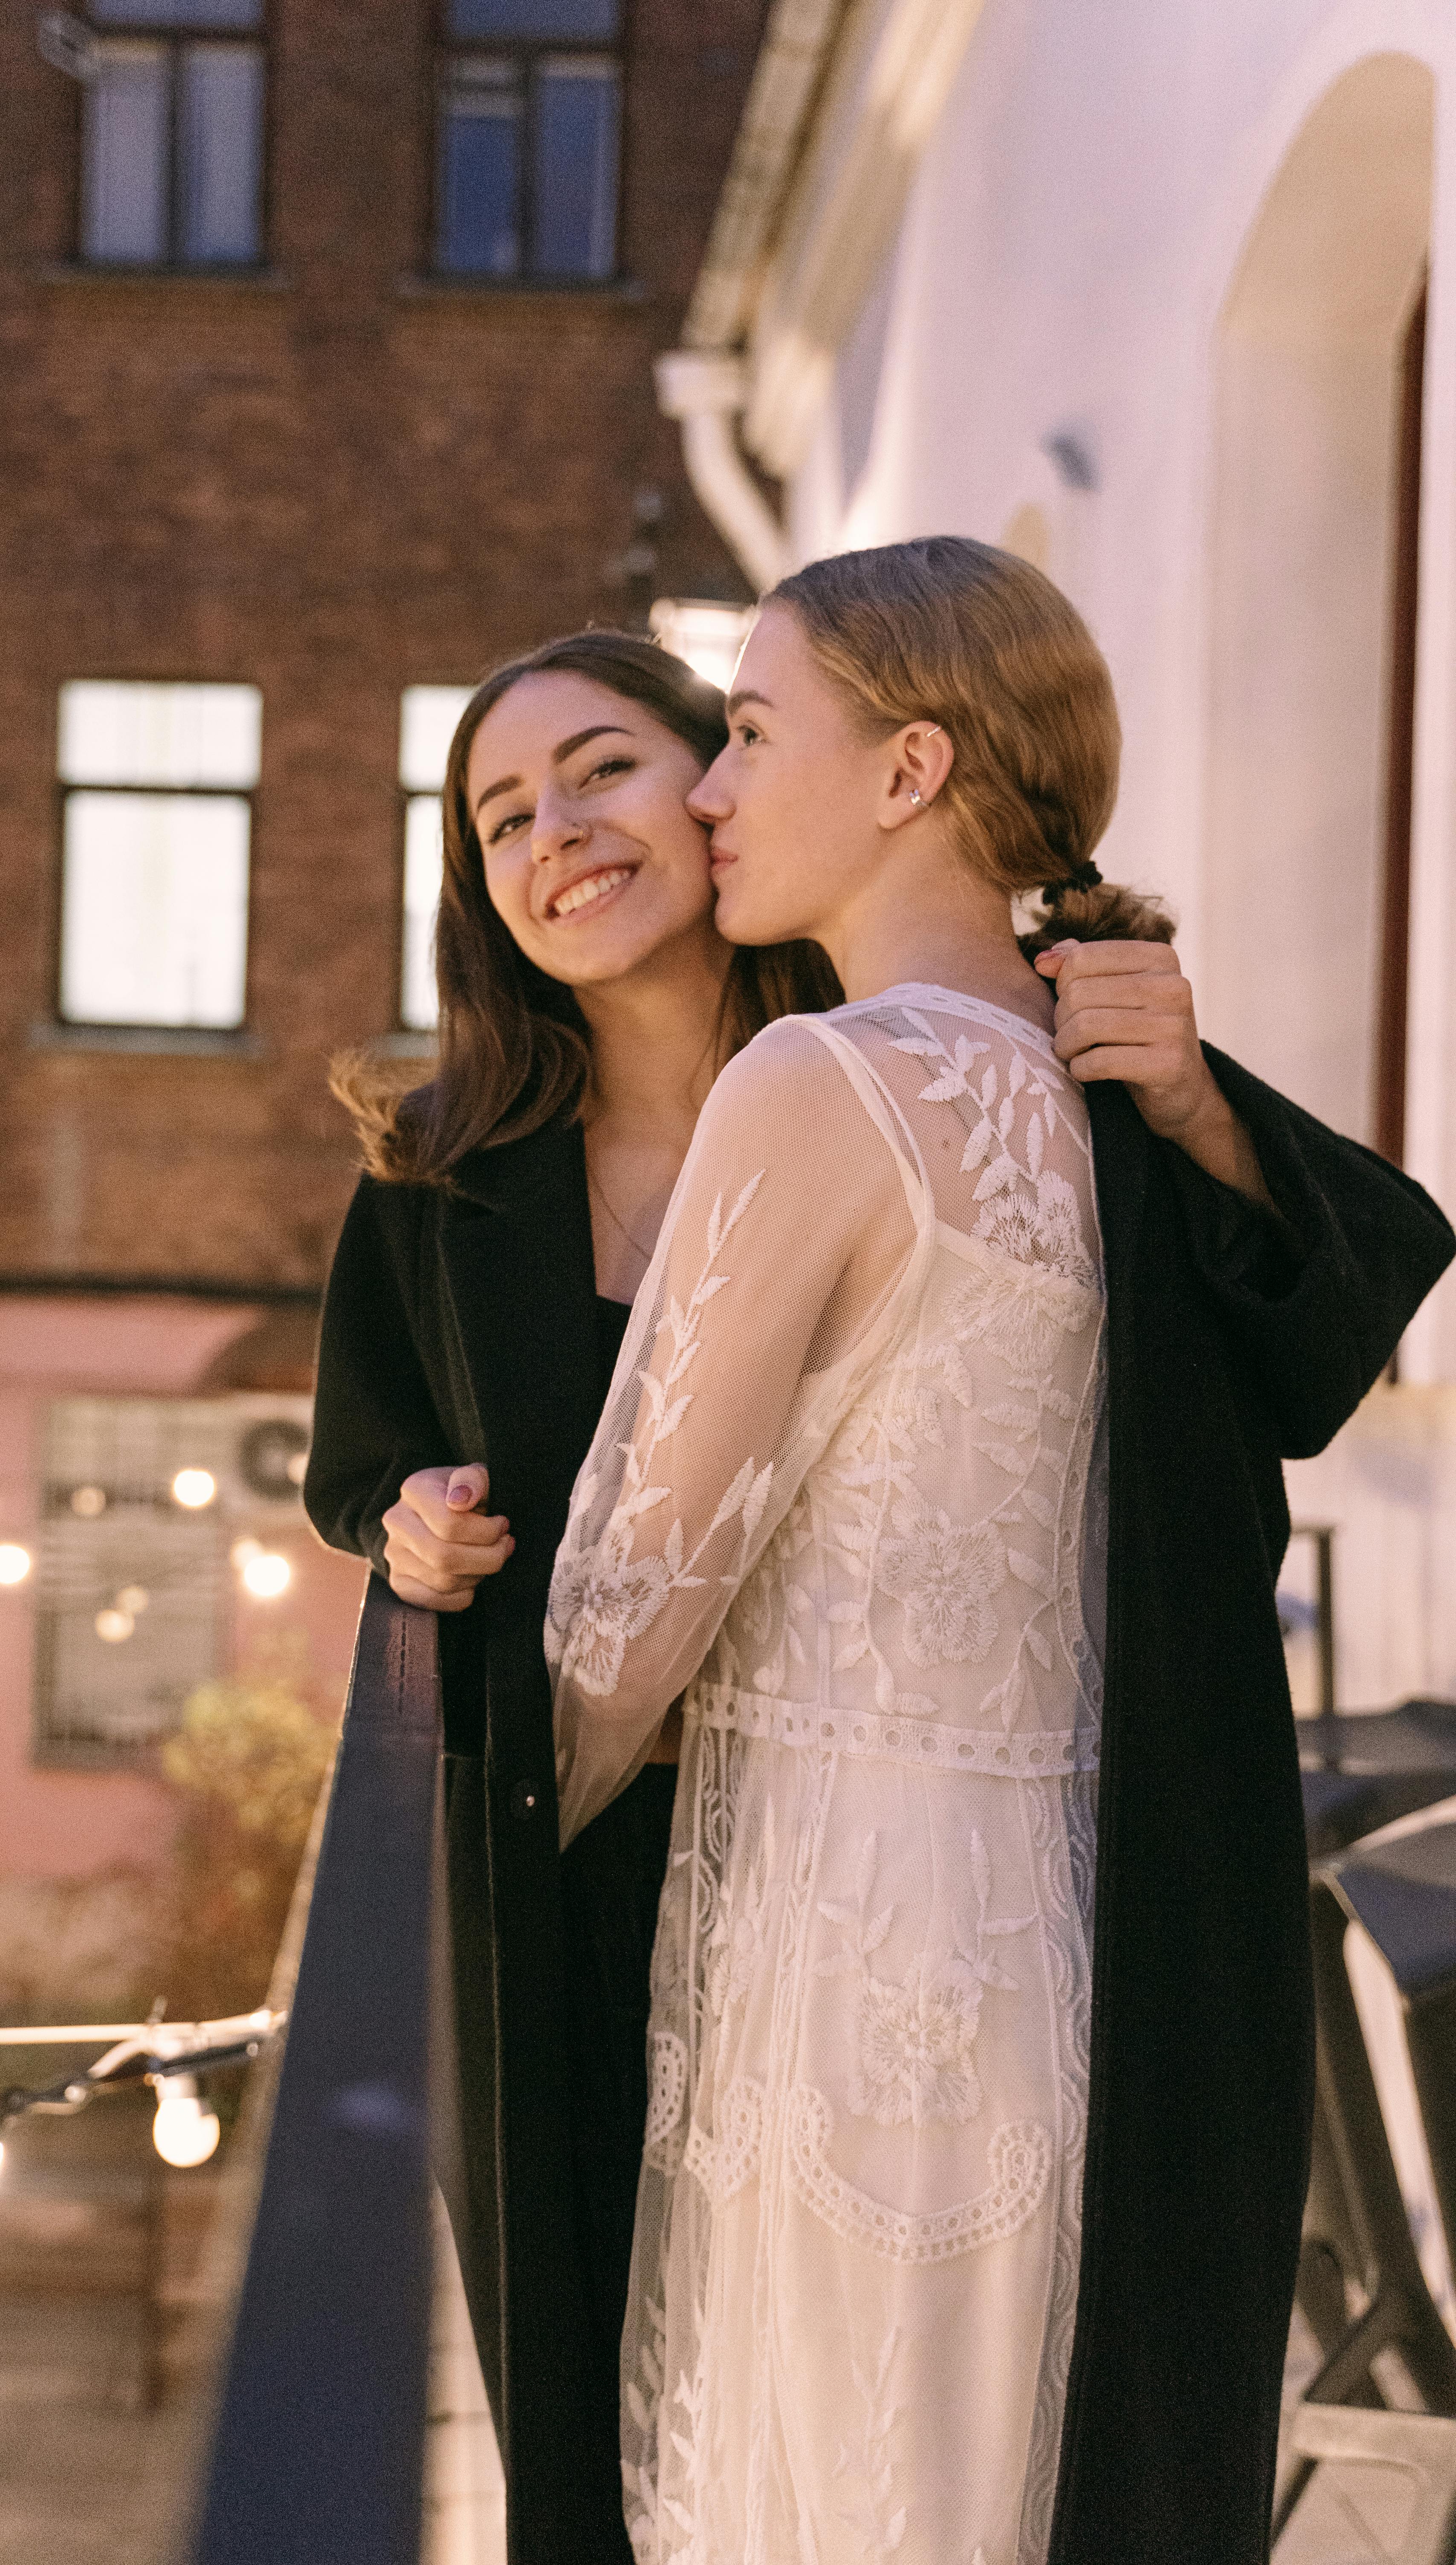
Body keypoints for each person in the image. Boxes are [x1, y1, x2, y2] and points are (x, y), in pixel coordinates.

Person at [543, 539, 1455, 2565]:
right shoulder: (1110, 1104)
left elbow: (629, 1603)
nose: (704, 791)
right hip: (1054, 1961)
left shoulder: (822, 1085)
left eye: (752, 733)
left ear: (908, 770)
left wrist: (493, 1868)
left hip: (842, 1961)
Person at [304, 629, 838, 2565]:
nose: (558, 835)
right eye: (502, 816)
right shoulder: (440, 1176)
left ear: (720, 783)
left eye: (602, 771)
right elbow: (353, 1469)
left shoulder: (905, 1085)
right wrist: (407, 1529)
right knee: (591, 2415)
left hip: (853, 1861)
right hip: (563, 1875)